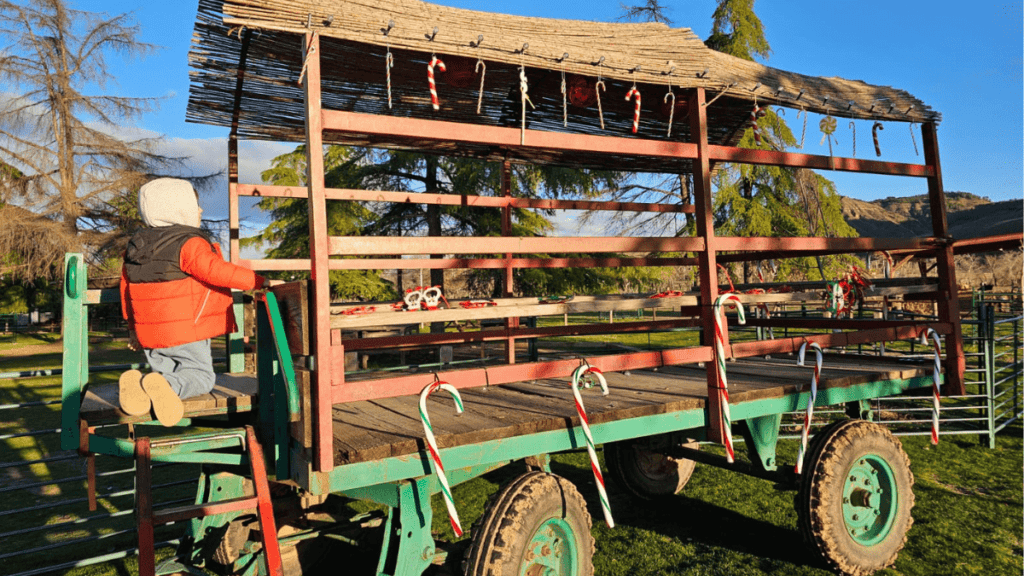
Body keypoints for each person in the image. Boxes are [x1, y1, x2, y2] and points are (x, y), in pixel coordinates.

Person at [119, 178, 274, 426]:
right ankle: (164, 385)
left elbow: (126, 291)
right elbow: (216, 270)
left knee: (168, 372)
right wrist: (258, 281)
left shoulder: (136, 249)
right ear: (178, 208)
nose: (200, 210)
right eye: (195, 204)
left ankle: (141, 387)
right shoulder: (188, 243)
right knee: (202, 378)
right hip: (187, 329)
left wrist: (132, 330)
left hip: (150, 334)